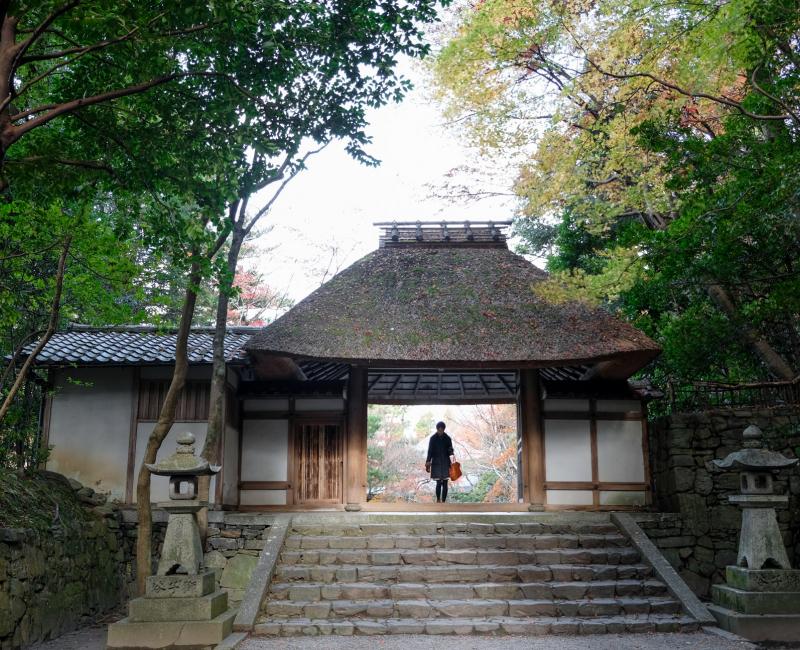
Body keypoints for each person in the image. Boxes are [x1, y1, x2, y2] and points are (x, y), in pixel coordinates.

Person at [425, 421, 455, 503]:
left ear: (444, 429)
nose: (440, 431)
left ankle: (443, 501)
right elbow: (430, 451)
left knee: (445, 482)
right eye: (439, 430)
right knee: (438, 482)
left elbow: (451, 450)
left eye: (442, 430)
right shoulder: (433, 438)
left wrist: (452, 460)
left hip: (445, 462)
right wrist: (428, 462)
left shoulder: (447, 438)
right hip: (436, 463)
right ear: (437, 429)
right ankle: (438, 500)